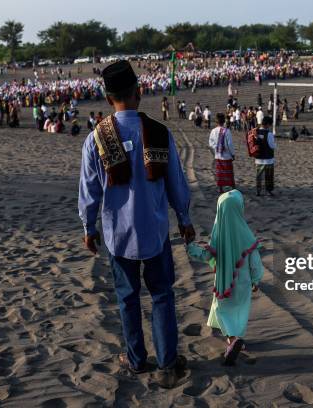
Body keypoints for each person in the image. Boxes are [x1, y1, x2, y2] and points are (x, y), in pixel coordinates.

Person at [78, 60, 194, 389]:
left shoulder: (96, 137)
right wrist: (184, 218)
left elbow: (89, 190)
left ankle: (136, 358)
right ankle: (168, 363)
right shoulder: (158, 132)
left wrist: (89, 227)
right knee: (161, 296)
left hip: (117, 236)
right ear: (138, 92)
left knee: (127, 298)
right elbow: (176, 183)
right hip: (155, 232)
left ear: (107, 96)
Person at [186, 189, 263, 365]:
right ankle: (236, 340)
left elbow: (206, 256)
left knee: (224, 310)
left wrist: (191, 247)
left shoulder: (218, 237)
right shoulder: (247, 236)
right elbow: (255, 262)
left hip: (224, 283)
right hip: (243, 284)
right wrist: (256, 280)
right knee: (240, 311)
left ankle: (232, 340)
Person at [208, 113, 236, 194]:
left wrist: (217, 147)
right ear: (224, 121)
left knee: (220, 174)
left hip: (218, 155)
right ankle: (233, 187)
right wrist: (232, 154)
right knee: (229, 173)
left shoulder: (213, 131)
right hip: (226, 156)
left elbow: (211, 143)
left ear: (216, 121)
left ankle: (221, 189)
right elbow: (229, 144)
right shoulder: (227, 131)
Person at [254, 116, 276, 196]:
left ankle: (258, 190)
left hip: (258, 158)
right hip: (268, 158)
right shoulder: (269, 134)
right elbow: (272, 146)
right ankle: (268, 190)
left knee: (259, 175)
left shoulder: (256, 132)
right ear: (267, 124)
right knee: (269, 176)